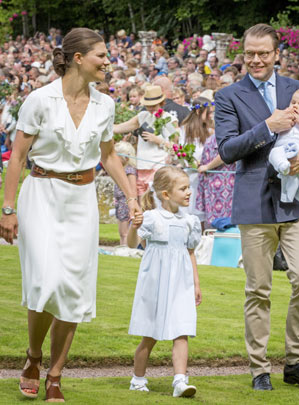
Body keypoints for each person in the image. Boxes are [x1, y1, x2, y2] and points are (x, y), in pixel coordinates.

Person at [0, 28, 140, 402]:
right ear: (78, 58)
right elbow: (16, 158)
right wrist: (8, 208)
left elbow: (109, 156)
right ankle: (33, 356)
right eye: (102, 56)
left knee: (74, 291)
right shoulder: (39, 99)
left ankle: (56, 374)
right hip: (41, 194)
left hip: (82, 199)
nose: (109, 63)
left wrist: (131, 195)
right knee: (45, 281)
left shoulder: (105, 105)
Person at [215, 23, 299, 391]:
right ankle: (259, 368)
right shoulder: (228, 96)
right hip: (255, 202)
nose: (255, 59)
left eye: (263, 53)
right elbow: (227, 150)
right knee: (259, 289)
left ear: (275, 54)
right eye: (250, 53)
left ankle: (296, 362)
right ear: (243, 54)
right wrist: (267, 126)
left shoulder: (297, 89)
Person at [126, 166, 201, 398]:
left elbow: (190, 252)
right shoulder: (151, 218)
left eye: (189, 187)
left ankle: (180, 381)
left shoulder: (190, 221)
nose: (189, 192)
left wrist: (196, 283)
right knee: (151, 333)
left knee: (182, 329)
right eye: (183, 188)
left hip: (181, 282)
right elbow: (132, 244)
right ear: (166, 194)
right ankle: (138, 379)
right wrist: (134, 227)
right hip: (156, 282)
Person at [113, 85, 180, 195]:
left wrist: (158, 140)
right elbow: (121, 127)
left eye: (153, 106)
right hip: (141, 166)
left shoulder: (169, 120)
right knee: (143, 204)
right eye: (148, 106)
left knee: (155, 201)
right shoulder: (143, 116)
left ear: (161, 103)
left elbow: (175, 147)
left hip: (158, 166)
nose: (151, 108)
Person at [180, 97, 213, 223]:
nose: (210, 116)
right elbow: (183, 151)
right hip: (191, 173)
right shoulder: (185, 129)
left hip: (205, 173)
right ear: (199, 112)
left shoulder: (209, 130)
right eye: (208, 112)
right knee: (190, 210)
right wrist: (192, 162)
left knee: (202, 213)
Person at [113, 141, 138, 246]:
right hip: (120, 202)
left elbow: (133, 190)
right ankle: (122, 246)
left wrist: (131, 202)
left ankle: (125, 247)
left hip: (125, 202)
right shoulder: (121, 170)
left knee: (124, 232)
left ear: (125, 157)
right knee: (121, 231)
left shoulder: (129, 170)